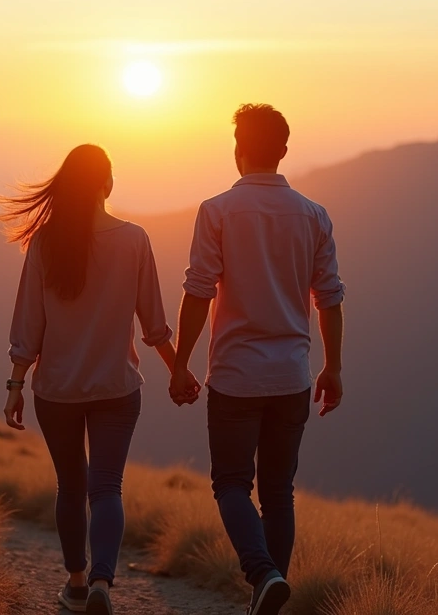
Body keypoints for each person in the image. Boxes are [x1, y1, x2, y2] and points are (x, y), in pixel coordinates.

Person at [0, 144, 201, 615]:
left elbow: (28, 324)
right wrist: (178, 369)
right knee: (106, 487)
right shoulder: (134, 239)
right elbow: (154, 324)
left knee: (70, 487)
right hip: (116, 388)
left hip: (56, 390)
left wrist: (14, 385)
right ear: (107, 184)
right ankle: (102, 584)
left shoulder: (46, 243)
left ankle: (74, 584)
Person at [170, 104, 346, 615]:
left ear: (238, 149)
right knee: (278, 492)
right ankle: (265, 594)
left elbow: (198, 292)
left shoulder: (217, 210)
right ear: (284, 150)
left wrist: (180, 362)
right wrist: (333, 367)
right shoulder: (314, 215)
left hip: (235, 376)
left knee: (230, 483)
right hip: (292, 374)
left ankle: (263, 574)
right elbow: (329, 297)